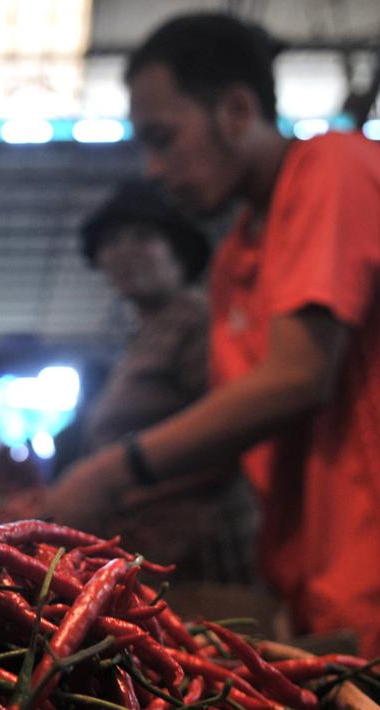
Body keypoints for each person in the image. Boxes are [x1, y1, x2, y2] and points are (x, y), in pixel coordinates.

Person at [28, 13, 380, 707]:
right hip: (326, 607)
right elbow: (237, 425)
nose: (154, 169)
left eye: (162, 138)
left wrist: (114, 470)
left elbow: (296, 376)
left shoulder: (333, 168)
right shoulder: (235, 259)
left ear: (235, 110)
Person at [68, 179, 256, 583]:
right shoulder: (142, 337)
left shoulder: (198, 322)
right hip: (158, 546)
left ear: (177, 250)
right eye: (112, 242)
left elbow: (231, 428)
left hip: (202, 547)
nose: (123, 253)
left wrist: (116, 480)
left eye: (142, 237)